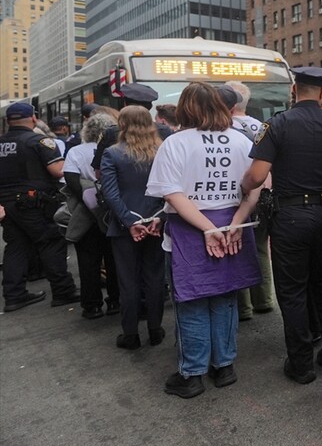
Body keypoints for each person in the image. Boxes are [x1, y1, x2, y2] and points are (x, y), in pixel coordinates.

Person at [147, 83, 262, 398]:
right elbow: (254, 188)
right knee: (225, 296)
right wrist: (234, 224)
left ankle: (192, 373)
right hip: (233, 224)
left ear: (185, 108)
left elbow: (173, 194)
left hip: (190, 227)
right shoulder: (241, 140)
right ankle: (224, 366)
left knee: (191, 300)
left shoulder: (175, 143)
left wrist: (208, 229)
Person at [241, 66, 322, 385]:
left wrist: (244, 185)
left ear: (294, 90)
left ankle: (301, 363)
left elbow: (257, 177)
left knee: (292, 289)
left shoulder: (277, 124)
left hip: (290, 216)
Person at [0, 102, 80, 311]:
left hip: (7, 204)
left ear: (8, 121)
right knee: (50, 242)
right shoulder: (40, 141)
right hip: (35, 202)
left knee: (16, 246)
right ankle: (63, 291)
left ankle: (14, 295)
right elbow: (58, 171)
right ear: (34, 118)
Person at [100, 106, 166, 350]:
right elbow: (172, 189)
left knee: (128, 281)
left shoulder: (112, 153)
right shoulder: (162, 151)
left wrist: (130, 221)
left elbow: (110, 193)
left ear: (122, 125)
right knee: (155, 278)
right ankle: (155, 329)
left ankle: (130, 334)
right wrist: (158, 217)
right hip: (156, 223)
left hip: (124, 226)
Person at [223, 81, 275, 320]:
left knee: (235, 249)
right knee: (261, 247)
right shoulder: (262, 126)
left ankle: (243, 306)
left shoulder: (224, 129)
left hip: (235, 196)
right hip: (262, 195)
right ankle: (263, 299)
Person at [63, 112, 119, 319]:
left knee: (88, 260)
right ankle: (115, 300)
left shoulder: (76, 151)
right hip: (112, 211)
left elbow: (70, 179)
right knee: (114, 258)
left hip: (84, 213)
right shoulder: (116, 148)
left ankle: (92, 305)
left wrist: (89, 201)